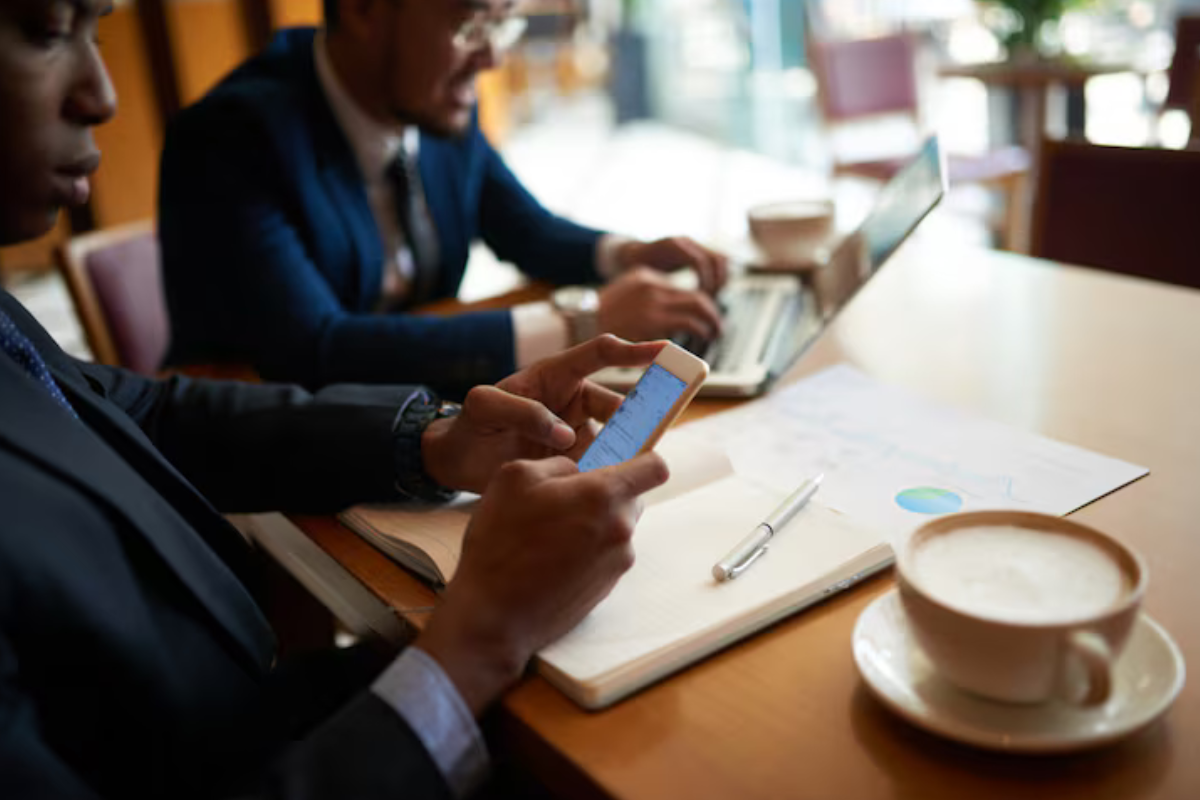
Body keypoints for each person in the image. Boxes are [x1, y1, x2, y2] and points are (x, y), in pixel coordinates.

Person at [0, 1, 670, 795]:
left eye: (98, 31)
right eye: (46, 30)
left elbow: (131, 408)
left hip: (238, 696)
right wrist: (482, 637)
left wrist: (433, 440)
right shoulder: (237, 132)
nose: (105, 95)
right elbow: (310, 346)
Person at [157, 0, 729, 397]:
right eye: (469, 23)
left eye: (502, 25)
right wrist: (582, 323)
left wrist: (626, 255)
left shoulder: (431, 97)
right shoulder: (232, 139)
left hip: (414, 410)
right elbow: (315, 350)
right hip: (264, 468)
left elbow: (524, 230)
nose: (491, 59)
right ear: (363, 10)